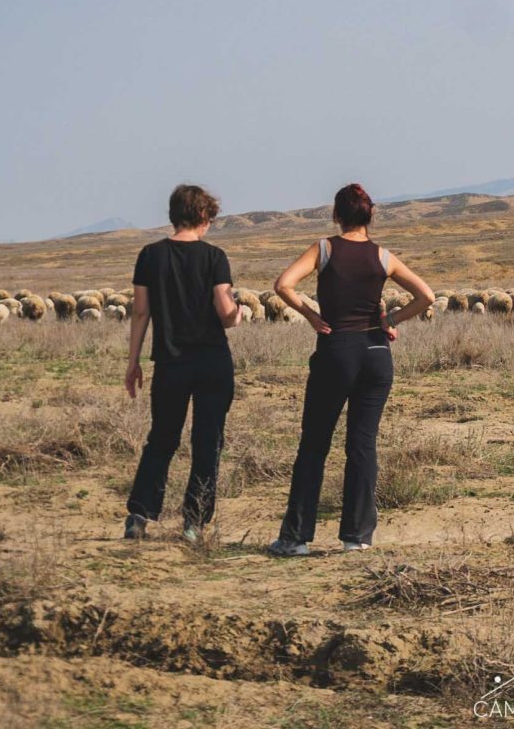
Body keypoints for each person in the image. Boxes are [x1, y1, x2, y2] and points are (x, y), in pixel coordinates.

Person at [267, 183, 434, 556]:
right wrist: (392, 318)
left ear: (336, 216)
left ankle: (295, 538)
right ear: (370, 215)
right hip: (376, 353)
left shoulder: (325, 249)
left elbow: (283, 285)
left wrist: (312, 315)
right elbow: (427, 295)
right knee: (362, 445)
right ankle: (356, 538)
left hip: (337, 350)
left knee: (314, 444)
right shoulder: (383, 256)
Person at [122, 183, 243, 541]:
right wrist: (237, 313)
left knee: (162, 438)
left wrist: (133, 362)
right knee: (208, 441)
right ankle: (193, 523)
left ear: (174, 215)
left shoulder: (149, 255)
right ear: (204, 217)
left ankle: (139, 516)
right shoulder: (214, 257)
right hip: (212, 362)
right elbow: (225, 312)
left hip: (170, 363)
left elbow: (140, 313)